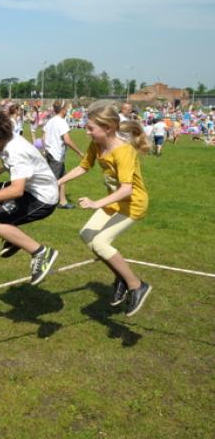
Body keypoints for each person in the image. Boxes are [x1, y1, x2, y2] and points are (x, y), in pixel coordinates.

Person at [58, 106, 152, 316]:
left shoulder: (123, 151)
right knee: (87, 235)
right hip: (115, 202)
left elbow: (126, 189)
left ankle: (137, 285)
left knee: (101, 243)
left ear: (108, 128)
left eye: (91, 128)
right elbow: (83, 166)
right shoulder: (97, 144)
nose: (87, 132)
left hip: (133, 203)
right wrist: (58, 181)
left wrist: (96, 203)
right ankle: (121, 277)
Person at [0, 109, 59, 284]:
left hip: (42, 198)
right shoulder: (4, 141)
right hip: (30, 188)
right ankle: (12, 237)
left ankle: (41, 253)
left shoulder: (15, 151)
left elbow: (16, 191)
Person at [43, 100, 84, 209]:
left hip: (50, 153)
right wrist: (79, 152)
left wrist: (45, 149)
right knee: (53, 181)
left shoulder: (50, 121)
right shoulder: (61, 122)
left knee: (63, 177)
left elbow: (44, 137)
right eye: (66, 108)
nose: (67, 110)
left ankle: (63, 201)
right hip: (56, 155)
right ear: (62, 110)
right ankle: (44, 203)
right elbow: (67, 140)